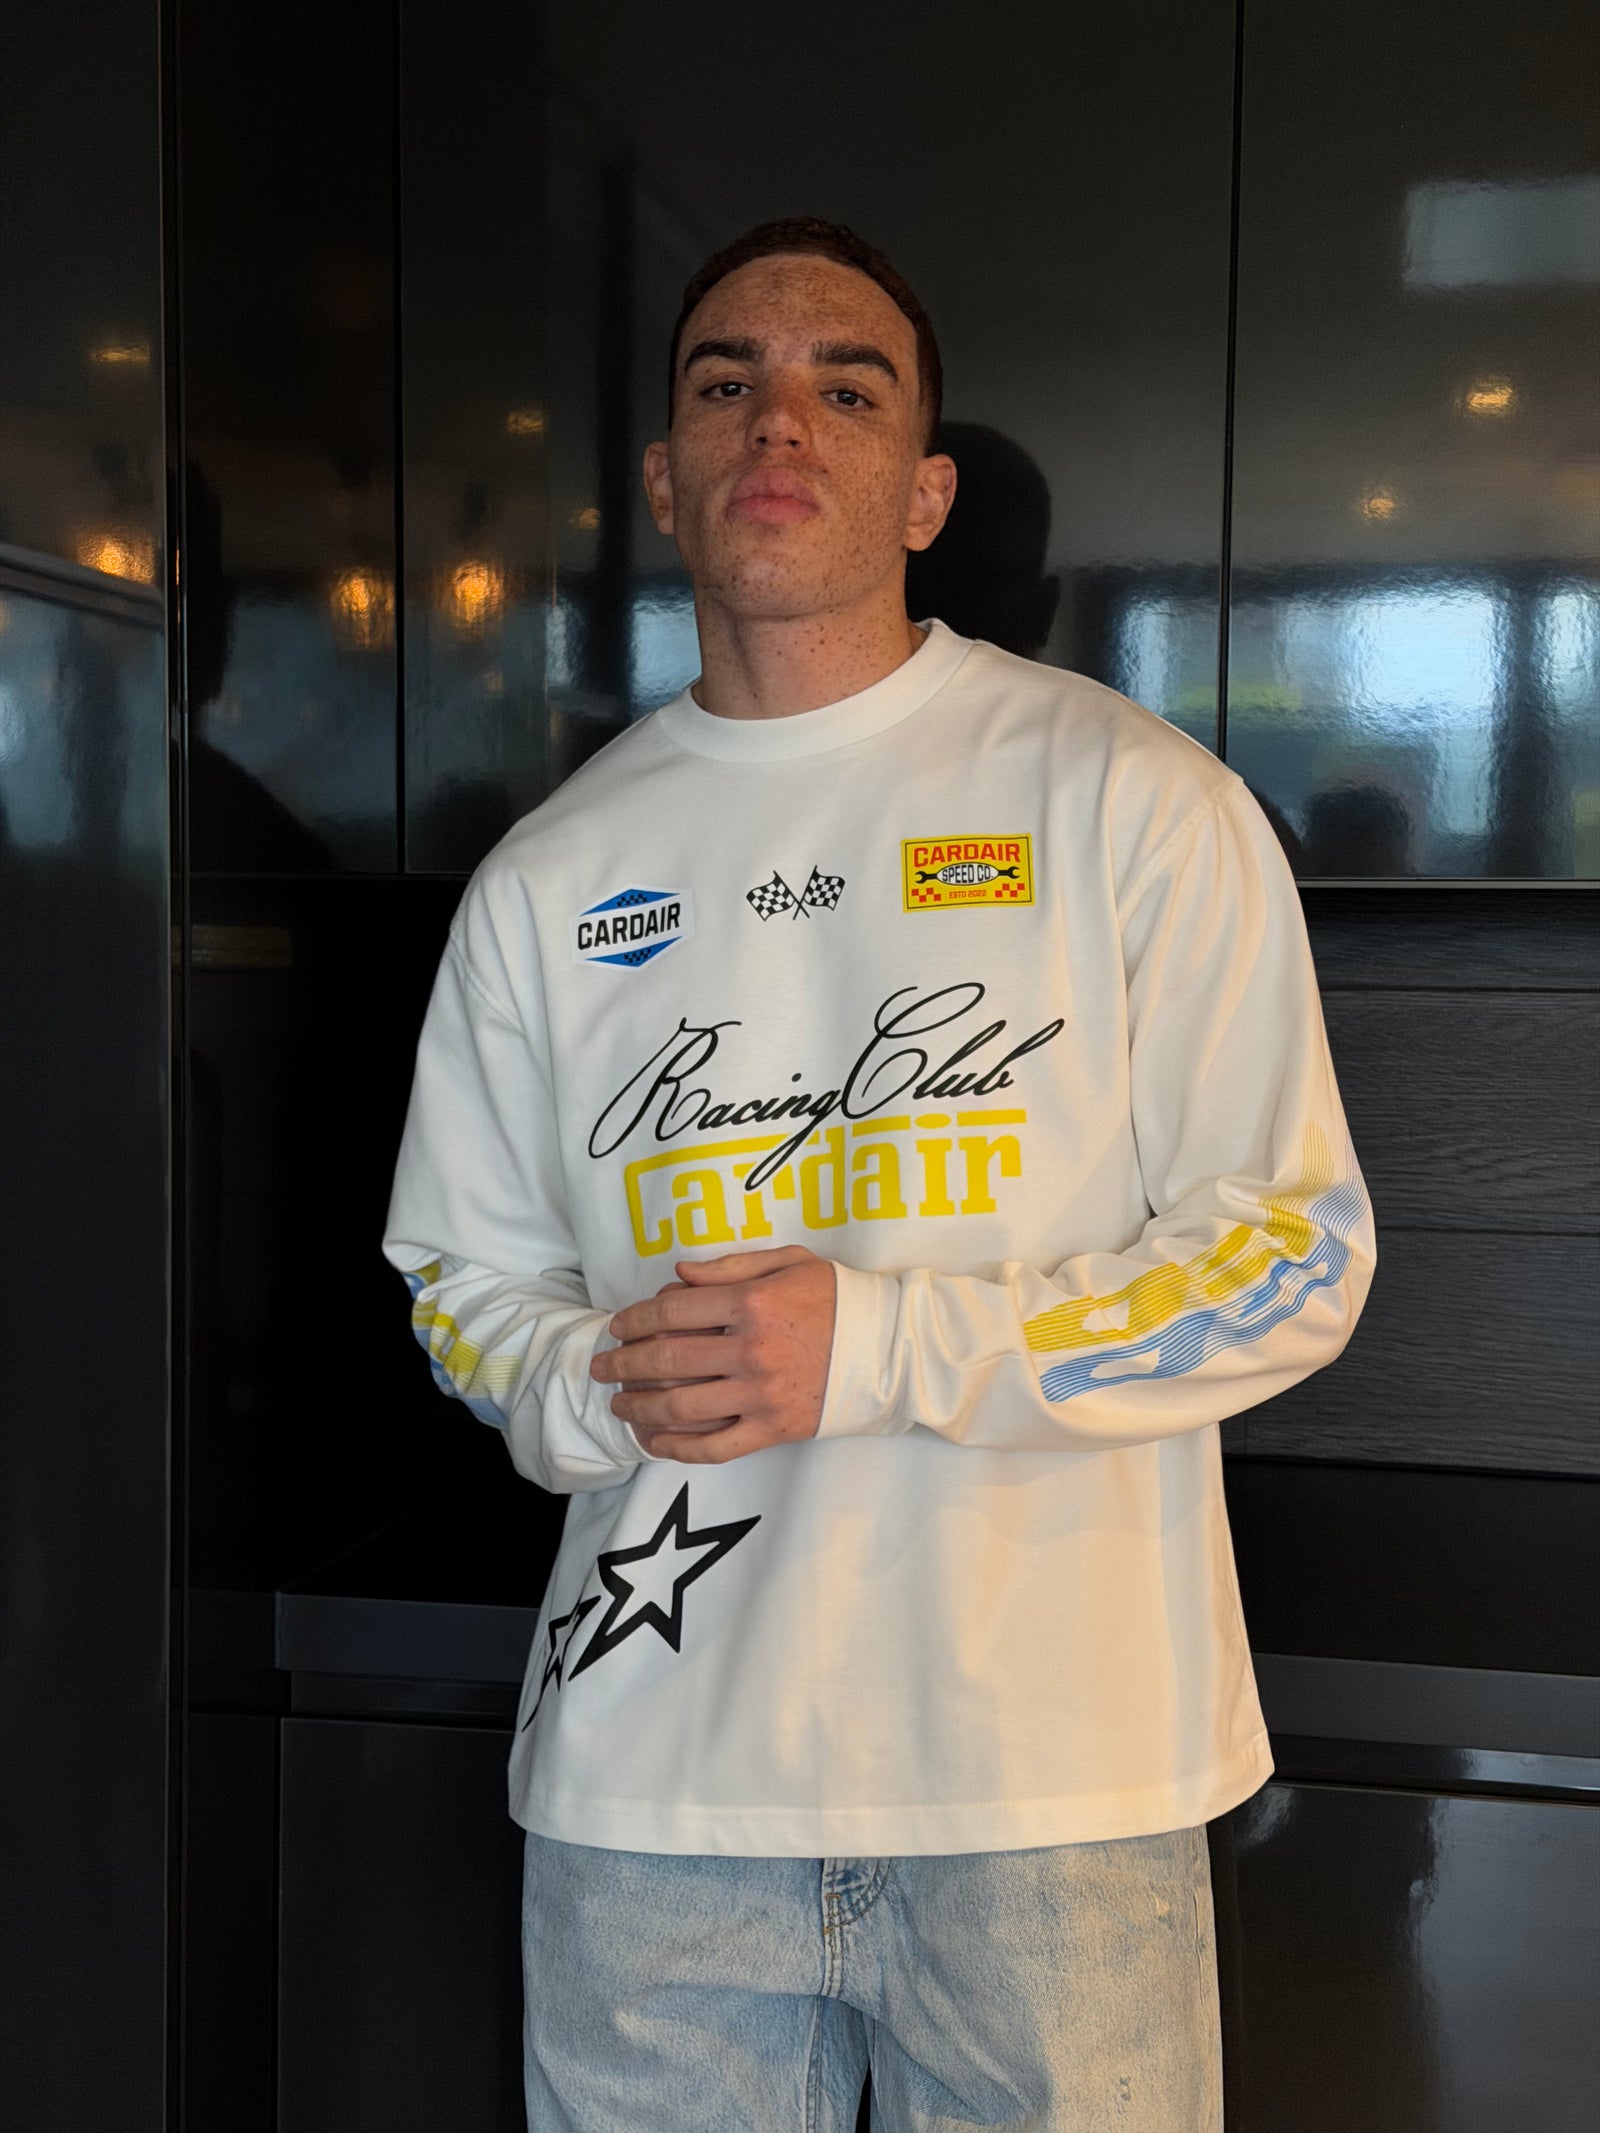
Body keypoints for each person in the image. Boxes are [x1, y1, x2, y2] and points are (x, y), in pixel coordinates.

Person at [381, 216, 1375, 2132]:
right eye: (727, 381)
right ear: (664, 476)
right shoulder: (548, 876)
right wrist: (591, 1381)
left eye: (848, 388)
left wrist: (881, 1346)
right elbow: (455, 1277)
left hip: (1050, 1788)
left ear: (923, 491)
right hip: (651, 1793)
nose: (781, 421)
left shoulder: (1132, 800)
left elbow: (1288, 1259)